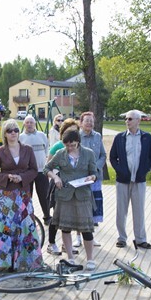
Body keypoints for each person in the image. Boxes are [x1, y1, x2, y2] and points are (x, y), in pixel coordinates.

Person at [0, 119, 43, 271]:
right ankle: (4, 262)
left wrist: (22, 178)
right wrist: (7, 177)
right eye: (9, 130)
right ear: (4, 134)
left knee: (25, 227)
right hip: (4, 196)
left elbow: (34, 170)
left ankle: (25, 260)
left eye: (16, 130)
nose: (13, 133)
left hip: (23, 195)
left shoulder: (28, 149)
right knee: (5, 228)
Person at [44, 128, 98, 270]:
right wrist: (55, 177)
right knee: (65, 228)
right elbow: (46, 168)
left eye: (72, 145)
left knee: (86, 229)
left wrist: (91, 177)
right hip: (65, 195)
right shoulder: (60, 153)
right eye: (67, 145)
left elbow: (94, 172)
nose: (69, 148)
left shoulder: (88, 154)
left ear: (78, 142)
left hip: (82, 195)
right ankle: (70, 258)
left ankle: (90, 259)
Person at [109, 110, 151, 250]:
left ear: (138, 121)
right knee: (121, 210)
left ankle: (140, 239)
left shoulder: (147, 138)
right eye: (126, 119)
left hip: (139, 180)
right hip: (122, 180)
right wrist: (120, 170)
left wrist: (144, 170)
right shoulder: (120, 137)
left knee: (139, 210)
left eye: (130, 119)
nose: (127, 121)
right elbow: (112, 157)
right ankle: (121, 238)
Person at [45, 118, 79, 255]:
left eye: (75, 131)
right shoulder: (58, 147)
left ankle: (66, 244)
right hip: (59, 185)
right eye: (69, 131)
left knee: (70, 216)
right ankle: (51, 243)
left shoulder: (79, 149)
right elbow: (48, 166)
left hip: (73, 186)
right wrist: (57, 176)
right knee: (57, 215)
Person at [78, 111, 106, 246]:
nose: (89, 123)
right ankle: (78, 237)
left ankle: (90, 237)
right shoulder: (77, 136)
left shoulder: (98, 136)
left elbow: (103, 155)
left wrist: (95, 170)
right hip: (81, 177)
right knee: (80, 206)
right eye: (86, 120)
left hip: (95, 177)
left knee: (92, 207)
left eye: (91, 120)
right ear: (81, 122)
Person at [18, 114, 51, 224]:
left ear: (35, 123)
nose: (29, 124)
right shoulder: (21, 137)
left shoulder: (42, 135)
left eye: (31, 122)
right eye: (27, 122)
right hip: (27, 172)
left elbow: (47, 148)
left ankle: (47, 217)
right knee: (28, 196)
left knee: (44, 195)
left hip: (41, 171)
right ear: (24, 124)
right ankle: (28, 218)